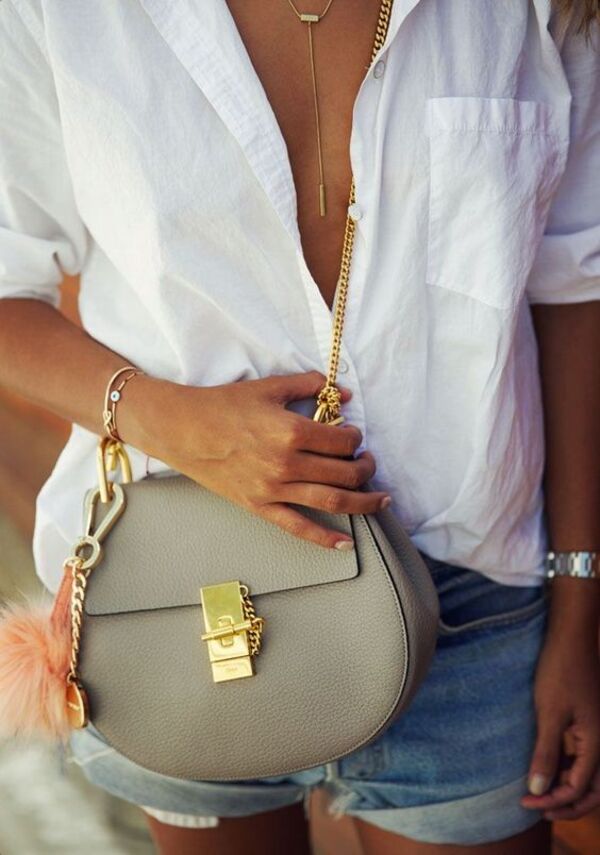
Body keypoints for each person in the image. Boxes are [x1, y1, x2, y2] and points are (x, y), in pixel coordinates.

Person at [1, 1, 599, 853]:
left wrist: (580, 613)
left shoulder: (538, 11)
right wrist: (172, 421)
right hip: (172, 602)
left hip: (471, 608)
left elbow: (576, 288)